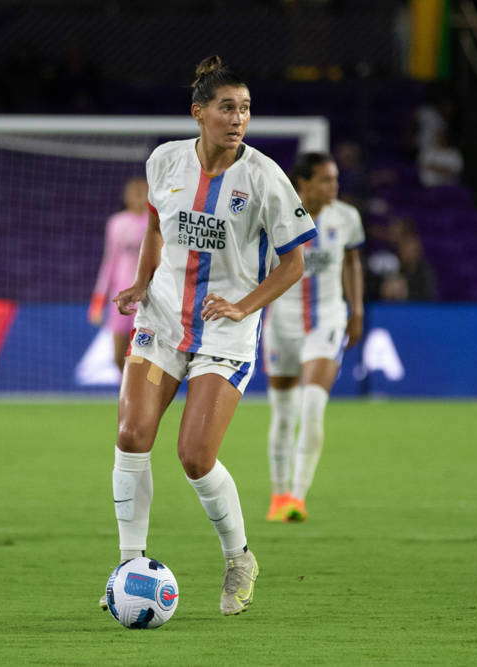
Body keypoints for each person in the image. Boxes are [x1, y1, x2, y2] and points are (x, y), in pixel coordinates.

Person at [100, 55, 317, 617]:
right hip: (163, 320)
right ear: (199, 113)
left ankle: (238, 555)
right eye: (227, 107)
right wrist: (141, 283)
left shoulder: (265, 177)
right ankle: (127, 564)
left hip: (225, 334)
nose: (238, 118)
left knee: (195, 457)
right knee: (131, 433)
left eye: (245, 108)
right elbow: (153, 225)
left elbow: (296, 263)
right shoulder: (164, 162)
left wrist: (243, 305)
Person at [262, 152, 365, 522]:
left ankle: (298, 497)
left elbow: (352, 261)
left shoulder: (346, 217)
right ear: (303, 184)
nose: (333, 187)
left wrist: (357, 310)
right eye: (325, 179)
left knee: (312, 406)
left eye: (335, 179)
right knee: (284, 414)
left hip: (327, 322)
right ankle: (279, 495)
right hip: (282, 323)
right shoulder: (276, 215)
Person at [89, 178, 151, 372]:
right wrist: (98, 301)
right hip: (121, 293)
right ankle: (126, 393)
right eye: (135, 192)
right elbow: (109, 262)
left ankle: (143, 396)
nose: (139, 197)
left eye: (143, 192)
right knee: (118, 355)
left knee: (143, 355)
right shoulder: (117, 222)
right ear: (126, 196)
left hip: (149, 296)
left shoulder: (156, 221)